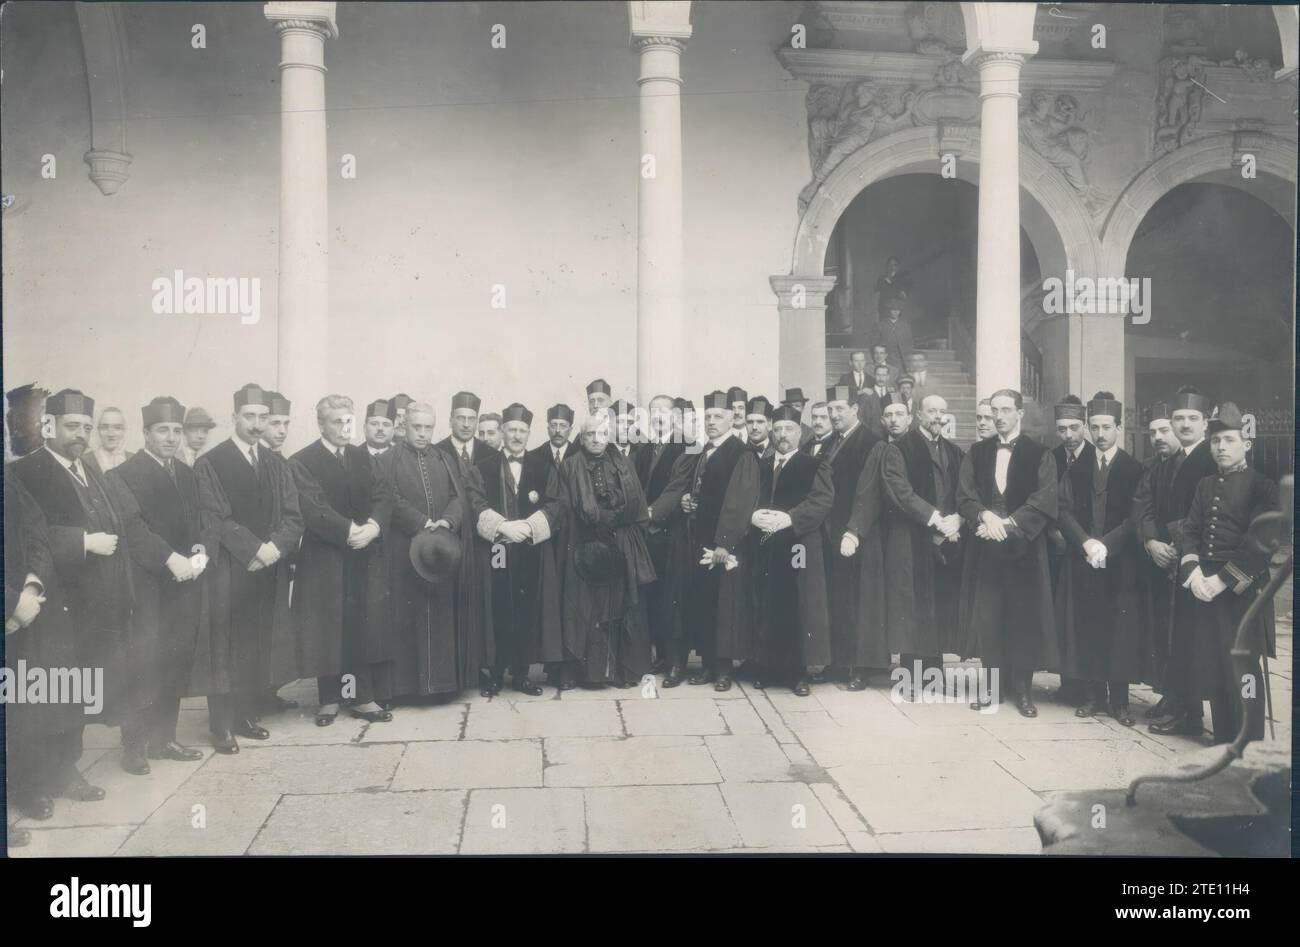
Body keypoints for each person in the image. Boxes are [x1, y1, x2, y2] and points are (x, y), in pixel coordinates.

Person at [10, 388, 136, 801]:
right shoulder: (29, 471)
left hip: (96, 603)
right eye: (71, 426)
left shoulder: (89, 467)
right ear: (50, 427)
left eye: (85, 427)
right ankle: (40, 781)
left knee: (80, 694)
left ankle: (68, 771)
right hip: (56, 604)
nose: (79, 434)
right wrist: (83, 541)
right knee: (50, 698)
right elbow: (32, 536)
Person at [193, 384, 304, 752]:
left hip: (267, 566)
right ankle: (221, 725)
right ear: (234, 418)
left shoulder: (275, 463)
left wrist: (274, 548)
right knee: (225, 644)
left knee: (256, 643)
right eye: (250, 417)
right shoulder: (211, 462)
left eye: (263, 418)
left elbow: (292, 515)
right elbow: (214, 518)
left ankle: (244, 714)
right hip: (228, 569)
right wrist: (254, 548)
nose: (257, 425)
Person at [107, 396, 208, 773]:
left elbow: (198, 520)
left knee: (176, 659)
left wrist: (198, 552)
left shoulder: (186, 473)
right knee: (143, 663)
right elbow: (133, 528)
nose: (170, 437)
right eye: (162, 430)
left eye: (176, 430)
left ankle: (164, 738)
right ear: (146, 433)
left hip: (185, 582)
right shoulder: (123, 475)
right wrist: (170, 559)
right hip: (147, 585)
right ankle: (133, 746)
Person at [290, 395, 395, 727]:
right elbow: (313, 506)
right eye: (337, 421)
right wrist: (350, 530)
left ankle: (361, 697)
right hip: (325, 558)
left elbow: (384, 495)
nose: (344, 427)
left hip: (363, 553)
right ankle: (330, 699)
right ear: (321, 424)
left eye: (349, 421)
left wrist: (374, 527)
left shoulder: (363, 457)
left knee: (359, 624)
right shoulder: (302, 461)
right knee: (327, 625)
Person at [528, 412, 655, 688]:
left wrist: (618, 523)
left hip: (618, 545)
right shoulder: (569, 466)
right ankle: (578, 672)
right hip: (581, 547)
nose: (596, 440)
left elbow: (638, 505)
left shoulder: (623, 464)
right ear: (582, 438)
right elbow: (558, 504)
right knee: (582, 609)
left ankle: (615, 671)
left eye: (601, 434)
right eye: (589, 435)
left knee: (615, 609)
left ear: (608, 436)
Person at [1175, 402, 1277, 743]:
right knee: (1216, 664)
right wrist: (1193, 575)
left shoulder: (1262, 486)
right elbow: (1190, 531)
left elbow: (1261, 543)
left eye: (1229, 440)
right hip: (1204, 586)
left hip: (1241, 591)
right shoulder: (1205, 485)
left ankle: (1248, 741)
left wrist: (1221, 580)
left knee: (1244, 668)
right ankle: (1221, 739)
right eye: (1216, 440)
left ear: (1246, 444)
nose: (1221, 447)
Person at [957, 389, 1059, 717]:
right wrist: (985, 516)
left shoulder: (1040, 453)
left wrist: (1010, 523)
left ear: (1019, 413)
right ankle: (992, 691)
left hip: (1024, 549)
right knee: (989, 619)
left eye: (1005, 410)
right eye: (994, 410)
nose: (999, 416)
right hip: (986, 547)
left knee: (1023, 619)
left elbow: (1044, 499)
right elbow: (965, 494)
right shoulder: (977, 451)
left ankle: (1024, 693)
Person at [649, 390, 759, 689]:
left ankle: (720, 669)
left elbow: (740, 501)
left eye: (718, 417)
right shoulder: (697, 451)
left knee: (720, 606)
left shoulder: (742, 453)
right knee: (687, 601)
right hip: (690, 537)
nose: (712, 422)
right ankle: (679, 666)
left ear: (731, 419)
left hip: (721, 542)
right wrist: (683, 499)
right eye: (708, 417)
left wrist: (725, 542)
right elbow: (682, 486)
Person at [1055, 392, 1147, 727]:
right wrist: (1085, 542)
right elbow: (1062, 509)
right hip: (1083, 558)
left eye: (1106, 426)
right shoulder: (1075, 467)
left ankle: (1120, 702)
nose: (1100, 433)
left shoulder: (1134, 468)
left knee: (1118, 629)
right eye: (1094, 426)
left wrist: (1106, 544)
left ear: (1118, 428)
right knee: (1088, 625)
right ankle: (1093, 696)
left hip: (1119, 561)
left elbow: (1137, 515)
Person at [378, 400, 472, 699]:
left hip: (440, 548)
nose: (422, 433)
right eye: (416, 427)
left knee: (440, 612)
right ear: (404, 426)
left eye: (427, 427)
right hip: (403, 548)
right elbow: (388, 498)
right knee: (405, 615)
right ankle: (405, 689)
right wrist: (420, 521)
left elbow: (459, 497)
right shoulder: (388, 459)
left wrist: (446, 521)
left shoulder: (445, 458)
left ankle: (440, 686)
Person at [4, 474, 83, 826]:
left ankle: (49, 777)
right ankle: (25, 787)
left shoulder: (10, 481)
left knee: (36, 696)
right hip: (12, 608)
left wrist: (32, 589)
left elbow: (37, 535)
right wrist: (9, 605)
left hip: (28, 605)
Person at [745, 404, 833, 696]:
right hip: (766, 543)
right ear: (772, 431)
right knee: (766, 600)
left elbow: (821, 501)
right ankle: (767, 668)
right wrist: (753, 514)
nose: (783, 435)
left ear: (800, 432)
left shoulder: (813, 465)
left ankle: (798, 673)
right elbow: (748, 497)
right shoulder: (760, 465)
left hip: (800, 544)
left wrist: (791, 518)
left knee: (799, 602)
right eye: (778, 429)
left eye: (789, 429)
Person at [473, 403, 560, 696]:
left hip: (528, 547)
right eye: (511, 430)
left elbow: (556, 504)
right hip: (496, 548)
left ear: (528, 433)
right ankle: (496, 673)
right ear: (502, 432)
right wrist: (500, 526)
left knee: (526, 608)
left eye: (522, 431)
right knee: (497, 607)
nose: (516, 436)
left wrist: (528, 527)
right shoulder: (483, 467)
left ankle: (522, 675)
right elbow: (475, 502)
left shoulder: (543, 466)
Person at [881, 394, 964, 697]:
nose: (938, 417)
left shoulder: (955, 452)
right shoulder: (899, 449)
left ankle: (934, 677)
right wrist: (933, 517)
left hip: (945, 539)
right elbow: (899, 491)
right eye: (932, 411)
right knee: (912, 607)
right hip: (911, 536)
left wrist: (956, 518)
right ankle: (910, 679)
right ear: (918, 415)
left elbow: (964, 491)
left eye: (943, 411)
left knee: (937, 606)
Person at [1149, 386, 1219, 736]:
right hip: (1173, 555)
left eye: (1193, 418)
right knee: (1177, 635)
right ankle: (1183, 708)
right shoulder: (1173, 459)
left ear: (1206, 423)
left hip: (1201, 559)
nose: (1185, 424)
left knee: (1195, 637)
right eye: (1179, 418)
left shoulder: (1210, 456)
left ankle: (1189, 709)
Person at [823, 384, 885, 690]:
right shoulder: (830, 442)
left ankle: (861, 667)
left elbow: (868, 492)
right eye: (830, 409)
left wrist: (854, 530)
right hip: (831, 533)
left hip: (858, 533)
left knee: (860, 601)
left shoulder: (871, 442)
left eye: (840, 409)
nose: (834, 415)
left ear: (854, 410)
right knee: (838, 598)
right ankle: (837, 662)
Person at [1132, 400, 1182, 719]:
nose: (1159, 437)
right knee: (1162, 629)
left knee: (1181, 633)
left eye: (1165, 430)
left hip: (1183, 558)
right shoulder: (1152, 466)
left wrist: (1174, 547)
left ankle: (1183, 701)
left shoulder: (1193, 464)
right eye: (1153, 432)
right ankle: (1169, 694)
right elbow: (1142, 505)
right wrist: (1150, 541)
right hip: (1158, 557)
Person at [636, 395, 688, 671]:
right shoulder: (643, 449)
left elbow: (677, 488)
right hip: (646, 535)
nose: (658, 415)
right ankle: (660, 657)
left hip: (671, 533)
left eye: (664, 411)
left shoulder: (686, 447)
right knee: (653, 596)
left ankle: (676, 663)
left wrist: (648, 514)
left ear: (675, 416)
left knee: (672, 598)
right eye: (653, 410)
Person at [1048, 395, 1093, 704]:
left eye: (1074, 428)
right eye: (1062, 429)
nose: (1068, 435)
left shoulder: (1096, 457)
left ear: (1084, 426)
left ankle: (1087, 685)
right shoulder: (1050, 457)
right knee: (1061, 617)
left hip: (1086, 548)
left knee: (1085, 619)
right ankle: (1067, 681)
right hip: (1055, 547)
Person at [437, 391, 498, 466]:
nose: (466, 424)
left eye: (471, 419)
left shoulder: (492, 454)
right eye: (461, 418)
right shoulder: (437, 452)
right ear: (451, 421)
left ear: (476, 422)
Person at [868, 296, 914, 374]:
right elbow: (873, 345)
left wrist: (907, 359)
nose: (896, 312)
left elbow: (910, 344)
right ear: (888, 310)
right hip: (886, 361)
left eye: (898, 310)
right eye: (893, 310)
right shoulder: (880, 325)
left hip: (902, 362)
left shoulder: (905, 326)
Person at [530, 403, 575, 473]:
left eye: (563, 426)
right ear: (548, 429)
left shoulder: (578, 455)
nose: (557, 430)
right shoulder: (533, 456)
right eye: (553, 425)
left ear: (570, 430)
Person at [87, 406, 133, 475]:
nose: (111, 434)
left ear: (124, 430)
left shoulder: (133, 459)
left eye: (117, 428)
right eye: (105, 427)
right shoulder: (86, 461)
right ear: (98, 430)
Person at [857, 364, 893, 439]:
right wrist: (868, 433)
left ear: (888, 377)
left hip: (890, 436)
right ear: (874, 375)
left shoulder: (892, 394)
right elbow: (859, 416)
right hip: (871, 437)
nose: (881, 378)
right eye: (878, 375)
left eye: (884, 375)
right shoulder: (866, 394)